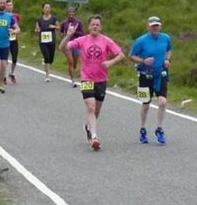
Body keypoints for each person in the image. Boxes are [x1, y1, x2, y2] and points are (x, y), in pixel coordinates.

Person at [61, 15, 124, 151]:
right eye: (93, 24)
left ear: (100, 27)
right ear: (89, 27)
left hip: (101, 80)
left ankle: (89, 127)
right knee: (90, 107)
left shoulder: (106, 41)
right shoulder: (82, 40)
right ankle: (95, 137)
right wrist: (68, 35)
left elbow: (121, 55)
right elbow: (63, 48)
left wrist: (111, 62)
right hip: (87, 79)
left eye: (97, 25)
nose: (95, 26)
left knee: (97, 110)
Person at [129, 16, 173, 145]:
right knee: (145, 103)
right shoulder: (141, 41)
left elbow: (169, 49)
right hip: (144, 76)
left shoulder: (166, 38)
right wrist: (143, 61)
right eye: (153, 26)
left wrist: (167, 60)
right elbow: (131, 56)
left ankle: (159, 129)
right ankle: (142, 129)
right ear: (148, 27)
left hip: (161, 75)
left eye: (157, 25)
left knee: (162, 102)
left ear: (160, 26)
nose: (155, 28)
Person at [60, 6, 86, 87]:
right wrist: (65, 36)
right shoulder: (64, 23)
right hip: (67, 45)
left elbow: (83, 34)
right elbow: (61, 32)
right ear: (67, 14)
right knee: (70, 62)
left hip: (76, 44)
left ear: (75, 13)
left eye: (72, 13)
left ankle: (73, 72)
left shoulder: (79, 22)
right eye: (69, 13)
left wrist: (74, 32)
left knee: (74, 63)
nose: (71, 15)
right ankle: (73, 80)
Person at [34, 3, 59, 82]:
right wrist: (37, 30)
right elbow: (36, 29)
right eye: (46, 8)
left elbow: (59, 27)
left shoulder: (54, 18)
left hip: (51, 41)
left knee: (51, 59)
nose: (47, 9)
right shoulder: (39, 19)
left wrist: (54, 27)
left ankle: (46, 63)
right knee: (47, 58)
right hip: (43, 41)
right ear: (43, 9)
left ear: (50, 9)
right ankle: (47, 75)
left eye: (48, 7)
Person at [5, 0, 22, 84]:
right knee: (5, 59)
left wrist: (15, 32)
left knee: (14, 59)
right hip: (4, 40)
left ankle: (11, 73)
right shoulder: (2, 15)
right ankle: (3, 75)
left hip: (14, 39)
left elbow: (18, 27)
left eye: (11, 5)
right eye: (8, 5)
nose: (9, 7)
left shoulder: (16, 16)